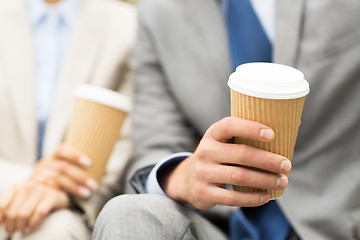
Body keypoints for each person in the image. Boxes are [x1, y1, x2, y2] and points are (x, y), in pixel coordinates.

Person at [94, 0, 360, 239]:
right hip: (222, 227)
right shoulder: (159, 11)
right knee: (127, 211)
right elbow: (154, 144)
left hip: (339, 222)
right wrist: (182, 176)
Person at [0, 0, 136, 239]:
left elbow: (128, 142)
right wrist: (30, 181)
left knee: (55, 230)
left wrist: (68, 193)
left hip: (72, 205)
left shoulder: (129, 27)